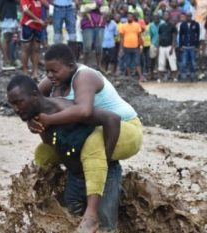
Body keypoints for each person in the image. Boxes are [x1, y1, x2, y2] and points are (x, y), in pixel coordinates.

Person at [32, 43, 143, 232]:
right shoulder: (52, 81)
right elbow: (29, 98)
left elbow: (84, 111)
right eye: (47, 71)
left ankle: (92, 214)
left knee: (93, 145)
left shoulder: (85, 76)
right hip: (92, 131)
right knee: (43, 152)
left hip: (124, 129)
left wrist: (48, 119)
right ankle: (45, 197)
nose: (49, 76)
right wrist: (32, 121)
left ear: (71, 66)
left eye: (54, 71)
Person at [19, 0, 48, 79]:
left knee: (36, 48)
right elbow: (25, 10)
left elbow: (47, 5)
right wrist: (38, 20)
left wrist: (44, 21)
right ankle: (25, 71)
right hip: (27, 24)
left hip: (38, 25)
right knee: (26, 47)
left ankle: (35, 72)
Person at [119, 12, 144, 81]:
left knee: (137, 62)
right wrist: (121, 48)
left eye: (131, 17)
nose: (129, 18)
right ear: (127, 18)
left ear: (133, 18)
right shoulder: (123, 26)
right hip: (126, 47)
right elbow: (121, 38)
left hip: (135, 47)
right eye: (128, 17)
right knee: (127, 62)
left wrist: (141, 46)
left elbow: (139, 37)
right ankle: (129, 77)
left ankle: (141, 77)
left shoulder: (137, 25)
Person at [179, 11, 200, 81]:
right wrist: (180, 46)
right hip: (185, 47)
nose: (188, 17)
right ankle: (184, 75)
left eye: (190, 16)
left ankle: (193, 75)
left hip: (193, 46)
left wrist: (197, 46)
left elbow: (198, 35)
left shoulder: (195, 24)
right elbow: (180, 36)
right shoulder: (183, 25)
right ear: (185, 17)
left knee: (193, 62)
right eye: (187, 16)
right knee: (184, 63)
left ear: (191, 16)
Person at [157, 11, 178, 82]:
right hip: (162, 47)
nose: (166, 16)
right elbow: (159, 37)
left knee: (172, 61)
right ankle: (160, 78)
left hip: (169, 46)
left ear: (169, 17)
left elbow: (174, 37)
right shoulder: (161, 26)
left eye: (167, 15)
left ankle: (174, 77)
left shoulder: (172, 26)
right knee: (161, 62)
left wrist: (172, 47)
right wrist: (158, 47)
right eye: (164, 15)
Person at [0, 0, 18, 70]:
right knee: (7, 38)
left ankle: (10, 60)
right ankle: (6, 61)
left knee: (10, 38)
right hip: (7, 15)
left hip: (9, 14)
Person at [149, 13, 164, 80]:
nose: (156, 18)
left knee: (161, 61)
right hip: (153, 44)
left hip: (162, 44)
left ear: (159, 17)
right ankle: (152, 75)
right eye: (155, 17)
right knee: (152, 60)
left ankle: (160, 76)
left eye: (157, 17)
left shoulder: (163, 23)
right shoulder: (151, 25)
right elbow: (151, 35)